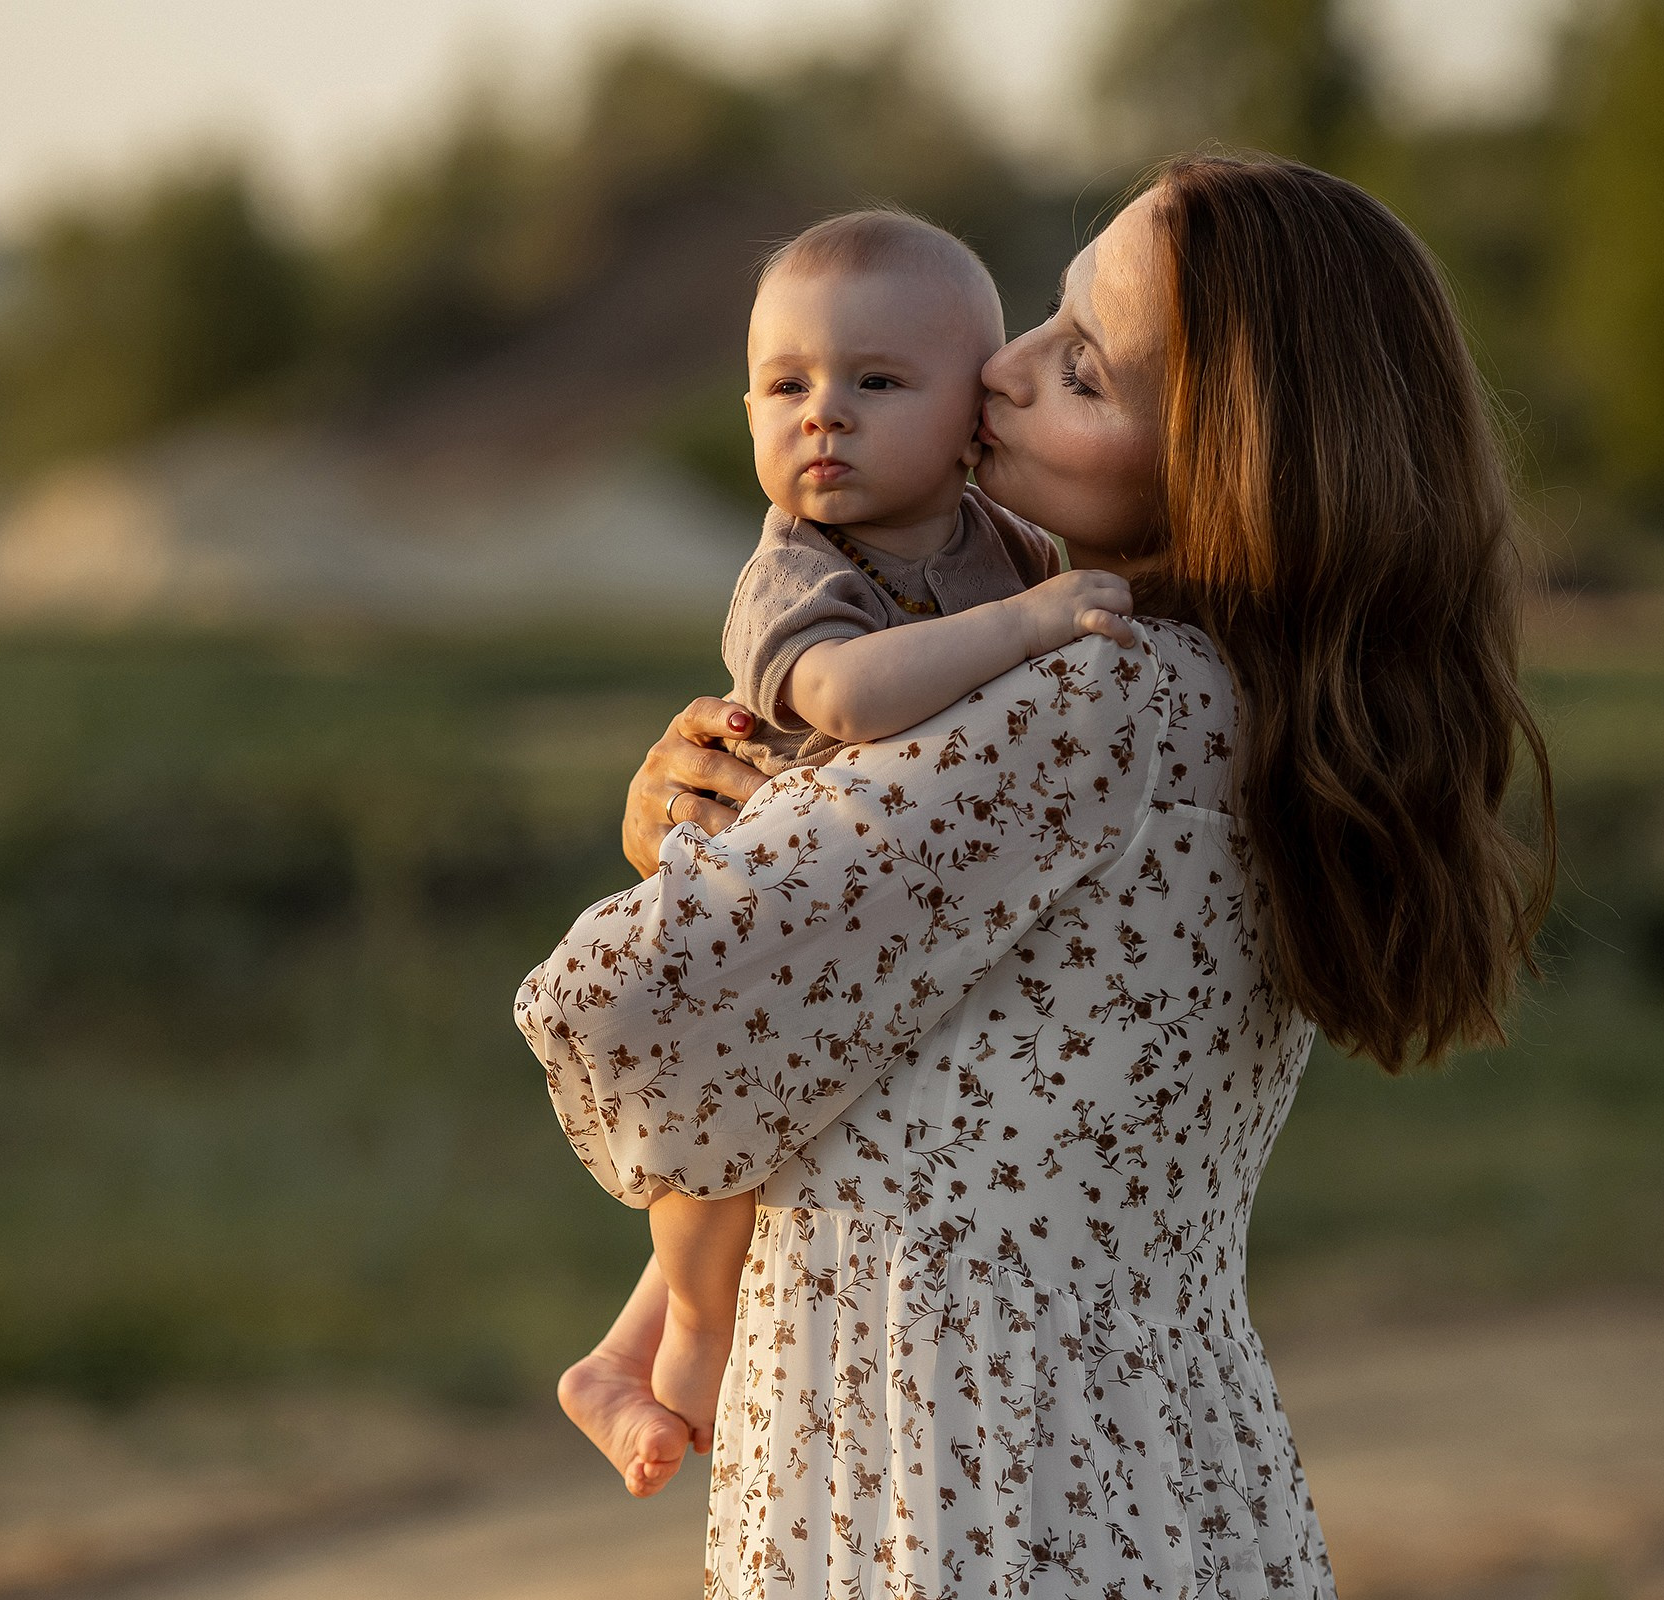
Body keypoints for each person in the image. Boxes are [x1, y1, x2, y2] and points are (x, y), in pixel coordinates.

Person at [518, 154, 1556, 1598]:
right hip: (1164, 1464)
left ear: (1222, 457)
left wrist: (685, 863)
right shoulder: (1256, 705)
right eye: (1043, 323)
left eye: (1080, 366)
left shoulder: (1092, 704)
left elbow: (628, 1013)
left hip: (949, 1478)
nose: (997, 373)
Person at [554, 208, 1136, 1495]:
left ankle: (615, 1350)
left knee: (783, 1126)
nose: (824, 414)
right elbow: (851, 699)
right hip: (776, 912)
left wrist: (1038, 601)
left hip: (887, 919)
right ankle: (685, 1340)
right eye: (786, 385)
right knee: (721, 1140)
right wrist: (1035, 625)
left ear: (974, 417)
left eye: (876, 382)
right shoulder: (794, 569)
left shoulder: (1009, 547)